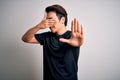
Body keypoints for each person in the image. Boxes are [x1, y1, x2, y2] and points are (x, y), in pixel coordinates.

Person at [22, 4, 84, 80]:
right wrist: (39, 26)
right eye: (47, 20)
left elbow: (77, 41)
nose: (48, 23)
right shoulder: (47, 37)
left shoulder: (73, 37)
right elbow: (25, 39)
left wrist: (78, 44)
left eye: (51, 19)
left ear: (62, 20)